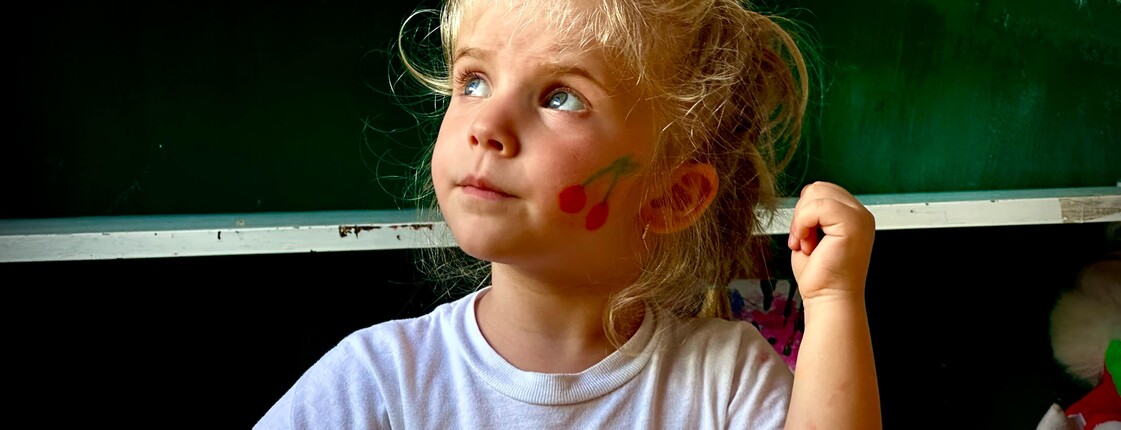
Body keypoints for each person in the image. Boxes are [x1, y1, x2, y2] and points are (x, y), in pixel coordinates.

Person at [256, 0, 880, 428]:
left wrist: (832, 302)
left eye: (562, 97)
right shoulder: (381, 383)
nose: (487, 126)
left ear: (670, 195)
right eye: (473, 81)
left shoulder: (724, 381)